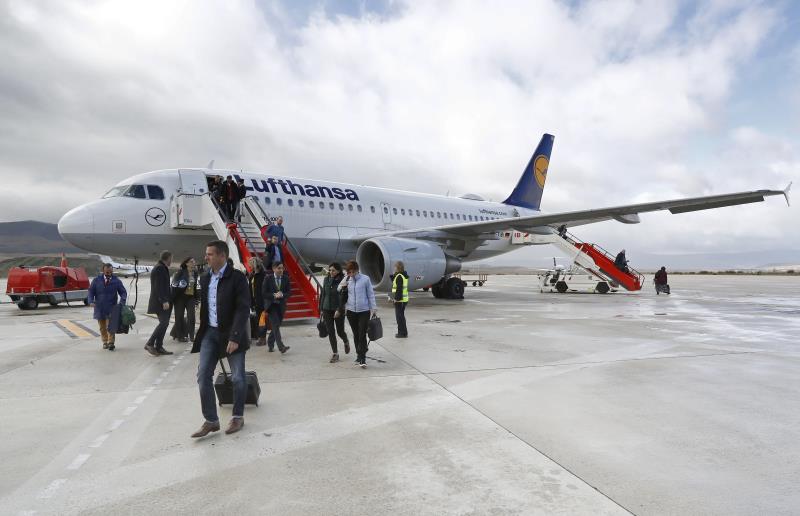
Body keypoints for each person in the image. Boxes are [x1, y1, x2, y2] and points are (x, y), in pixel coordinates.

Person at [191, 240, 251, 437]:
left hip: (232, 333)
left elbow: (243, 309)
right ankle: (211, 420)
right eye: (206, 254)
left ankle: (237, 417)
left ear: (222, 256)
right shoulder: (205, 278)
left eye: (210, 254)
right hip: (210, 333)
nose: (206, 257)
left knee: (239, 378)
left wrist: (235, 336)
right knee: (203, 376)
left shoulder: (237, 278)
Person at [339, 260, 377, 368]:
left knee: (362, 334)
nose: (350, 274)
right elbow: (339, 290)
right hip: (351, 311)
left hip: (364, 311)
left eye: (351, 272)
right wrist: (343, 285)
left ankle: (363, 357)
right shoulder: (347, 279)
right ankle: (358, 355)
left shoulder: (365, 279)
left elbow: (370, 294)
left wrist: (373, 307)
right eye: (348, 272)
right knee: (356, 334)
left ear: (356, 270)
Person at [87, 263, 127, 351]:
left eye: (110, 272)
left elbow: (123, 292)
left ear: (112, 271)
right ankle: (105, 342)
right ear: (103, 271)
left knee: (111, 326)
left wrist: (122, 301)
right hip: (99, 307)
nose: (108, 273)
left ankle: (111, 342)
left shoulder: (116, 281)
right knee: (102, 327)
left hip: (112, 307)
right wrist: (90, 301)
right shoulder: (96, 280)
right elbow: (91, 292)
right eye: (107, 272)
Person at [145, 251, 174, 357]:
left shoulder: (161, 267)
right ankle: (150, 343)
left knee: (165, 323)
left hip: (161, 301)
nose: (172, 261)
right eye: (171, 258)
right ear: (168, 258)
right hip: (160, 302)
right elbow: (159, 286)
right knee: (163, 323)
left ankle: (159, 346)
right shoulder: (159, 268)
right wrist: (164, 301)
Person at [319, 262, 350, 362]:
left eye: (333, 270)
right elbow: (323, 294)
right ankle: (335, 353)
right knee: (331, 332)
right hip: (327, 308)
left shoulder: (342, 281)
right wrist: (321, 309)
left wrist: (339, 309)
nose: (331, 272)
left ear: (338, 271)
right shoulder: (326, 279)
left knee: (340, 332)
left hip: (338, 310)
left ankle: (345, 341)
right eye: (330, 270)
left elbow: (343, 297)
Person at [262, 262, 291, 353]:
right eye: (279, 268)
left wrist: (282, 294)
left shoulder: (286, 279)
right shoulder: (268, 278)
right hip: (271, 306)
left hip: (281, 306)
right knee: (275, 325)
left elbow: (289, 292)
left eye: (282, 268)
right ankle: (281, 346)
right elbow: (264, 293)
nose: (281, 270)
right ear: (274, 269)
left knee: (276, 325)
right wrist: (273, 295)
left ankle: (270, 344)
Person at [169, 257, 198, 342]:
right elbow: (173, 286)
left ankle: (192, 336)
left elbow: (195, 286)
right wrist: (172, 299)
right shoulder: (180, 273)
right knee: (179, 317)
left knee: (191, 317)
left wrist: (197, 298)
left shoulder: (195, 273)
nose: (194, 263)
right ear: (187, 263)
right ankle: (179, 336)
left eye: (194, 261)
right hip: (180, 298)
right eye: (192, 261)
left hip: (190, 298)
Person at [247, 257, 267, 347]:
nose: (249, 264)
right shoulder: (252, 275)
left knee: (261, 320)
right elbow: (250, 289)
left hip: (262, 301)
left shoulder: (263, 275)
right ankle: (260, 336)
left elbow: (264, 290)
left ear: (255, 264)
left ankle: (262, 338)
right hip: (255, 301)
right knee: (258, 319)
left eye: (250, 263)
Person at [390, 261, 409, 338]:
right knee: (401, 317)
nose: (394, 268)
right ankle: (404, 332)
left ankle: (401, 333)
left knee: (399, 317)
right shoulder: (402, 275)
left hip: (400, 300)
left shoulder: (399, 276)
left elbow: (399, 289)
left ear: (398, 267)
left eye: (395, 267)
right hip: (403, 300)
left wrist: (396, 299)